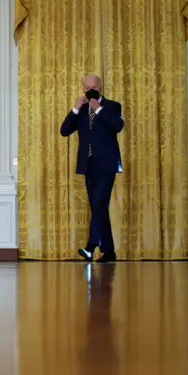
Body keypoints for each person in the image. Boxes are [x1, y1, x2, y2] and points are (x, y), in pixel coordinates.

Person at [60, 75, 124, 263]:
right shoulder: (81, 110)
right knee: (99, 207)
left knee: (99, 204)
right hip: (88, 165)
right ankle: (109, 251)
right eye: (87, 87)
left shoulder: (112, 106)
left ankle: (90, 247)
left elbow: (118, 126)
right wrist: (75, 108)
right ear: (83, 90)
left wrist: (99, 110)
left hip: (107, 164)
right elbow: (64, 131)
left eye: (94, 87)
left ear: (101, 89)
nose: (90, 90)